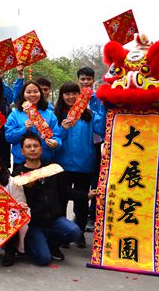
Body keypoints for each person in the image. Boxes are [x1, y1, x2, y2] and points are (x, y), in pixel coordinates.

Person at [13, 133, 96, 265]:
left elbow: (65, 191)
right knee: (43, 260)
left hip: (54, 220)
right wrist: (29, 187)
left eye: (35, 146)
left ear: (41, 149)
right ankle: (29, 244)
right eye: (28, 146)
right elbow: (15, 202)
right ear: (22, 151)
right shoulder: (18, 174)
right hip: (33, 224)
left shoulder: (52, 168)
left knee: (74, 232)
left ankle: (52, 244)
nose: (32, 149)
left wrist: (87, 195)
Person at [53, 82, 105, 248]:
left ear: (80, 95)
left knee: (81, 201)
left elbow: (102, 129)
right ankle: (63, 233)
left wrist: (104, 106)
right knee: (61, 200)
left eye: (74, 93)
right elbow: (54, 139)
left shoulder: (89, 115)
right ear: (62, 96)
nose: (70, 97)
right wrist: (62, 128)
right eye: (67, 94)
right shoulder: (56, 115)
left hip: (85, 165)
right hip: (62, 165)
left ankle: (79, 233)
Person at [5, 80, 62, 171]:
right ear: (23, 94)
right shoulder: (15, 114)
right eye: (28, 92)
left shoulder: (50, 114)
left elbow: (57, 137)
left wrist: (56, 143)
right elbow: (9, 137)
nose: (32, 94)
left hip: (45, 161)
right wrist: (24, 129)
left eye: (36, 91)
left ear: (40, 94)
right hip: (21, 163)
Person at [77, 66, 105, 233]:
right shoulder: (74, 97)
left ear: (93, 80)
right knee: (81, 181)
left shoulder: (99, 98)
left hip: (95, 144)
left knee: (96, 180)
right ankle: (80, 214)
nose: (86, 82)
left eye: (88, 79)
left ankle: (93, 214)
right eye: (83, 79)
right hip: (79, 144)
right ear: (78, 80)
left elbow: (101, 122)